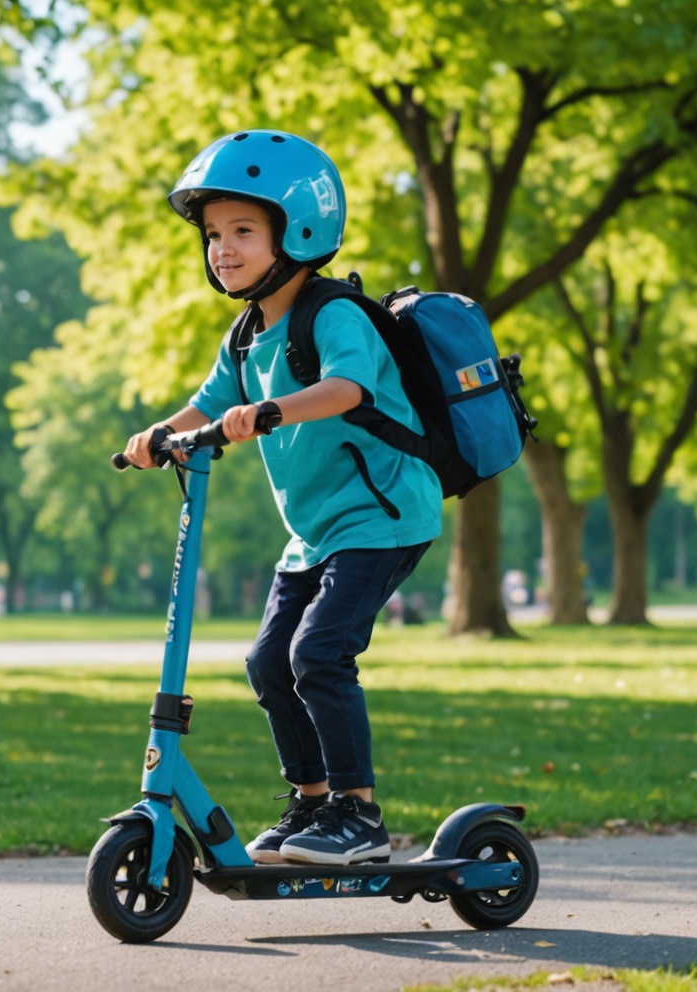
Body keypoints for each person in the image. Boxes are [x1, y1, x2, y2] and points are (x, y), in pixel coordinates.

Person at [123, 130, 442, 867]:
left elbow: (348, 388)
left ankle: (358, 818)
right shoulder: (243, 336)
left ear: (296, 232)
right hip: (314, 531)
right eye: (212, 235)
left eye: (242, 231)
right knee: (269, 662)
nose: (221, 249)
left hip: (383, 515)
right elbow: (206, 403)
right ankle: (311, 803)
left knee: (318, 653)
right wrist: (155, 435)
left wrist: (271, 411)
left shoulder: (334, 315)